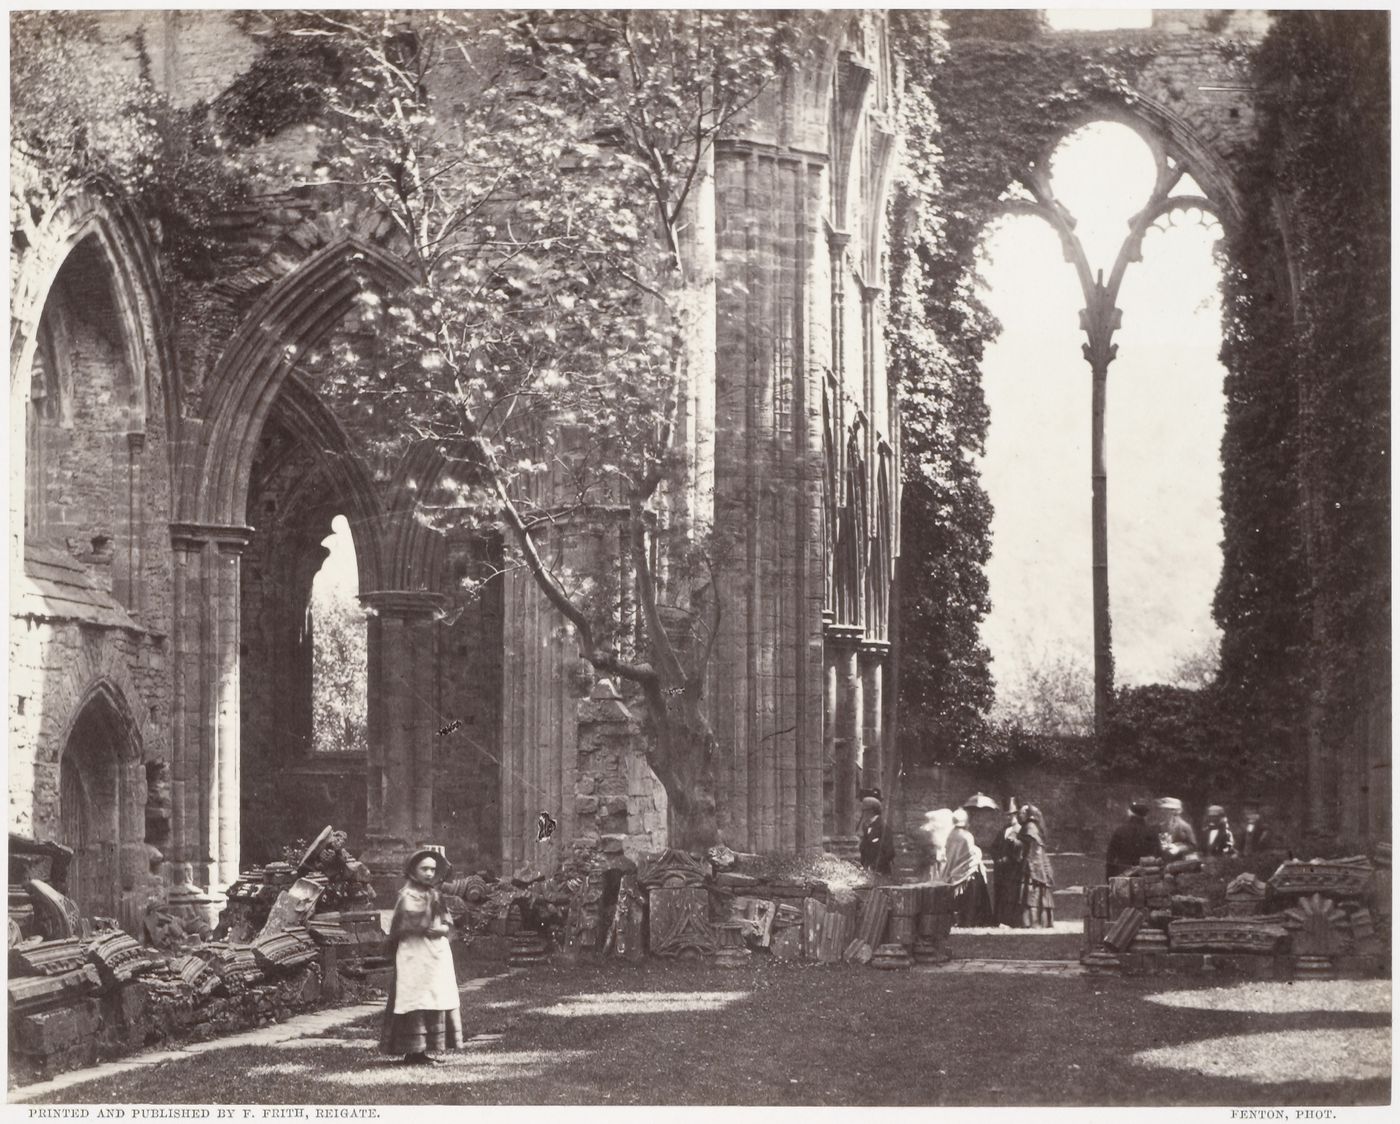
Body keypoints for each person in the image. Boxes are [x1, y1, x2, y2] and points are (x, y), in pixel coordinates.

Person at [380, 849, 463, 1065]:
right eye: (424, 869)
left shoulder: (435, 895)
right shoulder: (406, 896)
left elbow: (447, 921)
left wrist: (443, 929)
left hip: (435, 956)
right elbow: (399, 926)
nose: (428, 873)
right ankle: (412, 1051)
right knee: (414, 999)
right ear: (413, 870)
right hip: (414, 955)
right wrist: (421, 925)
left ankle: (424, 1050)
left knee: (434, 997)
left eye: (432, 869)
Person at [943, 808, 993, 926]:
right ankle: (968, 920)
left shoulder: (950, 835)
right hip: (967, 871)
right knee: (970, 899)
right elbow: (970, 854)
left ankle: (956, 920)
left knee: (956, 899)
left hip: (953, 870)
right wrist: (977, 852)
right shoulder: (967, 836)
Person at [1016, 803, 1056, 928]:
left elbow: (1034, 849)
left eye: (1022, 813)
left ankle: (1034, 921)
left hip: (1033, 864)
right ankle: (1036, 921)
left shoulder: (1030, 827)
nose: (1019, 815)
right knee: (1034, 892)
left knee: (1033, 891)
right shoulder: (1030, 826)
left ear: (1028, 815)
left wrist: (1016, 843)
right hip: (1032, 862)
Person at [1105, 800, 1160, 880]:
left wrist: (1109, 878)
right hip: (1146, 876)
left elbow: (1110, 858)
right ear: (1145, 815)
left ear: (1130, 813)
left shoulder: (1120, 831)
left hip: (1123, 875)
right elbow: (1158, 855)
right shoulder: (1152, 832)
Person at [857, 793, 895, 878]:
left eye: (864, 811)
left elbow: (890, 852)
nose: (863, 814)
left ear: (871, 811)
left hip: (882, 873)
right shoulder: (866, 826)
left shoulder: (883, 827)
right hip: (868, 872)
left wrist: (874, 866)